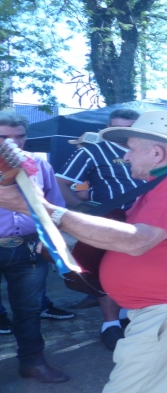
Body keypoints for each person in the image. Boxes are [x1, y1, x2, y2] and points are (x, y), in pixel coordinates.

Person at [0, 110, 167, 391]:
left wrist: (41, 209)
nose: (126, 157)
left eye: (130, 149)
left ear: (157, 153)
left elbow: (138, 241)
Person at [55, 108, 145, 351]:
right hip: (111, 221)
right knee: (107, 272)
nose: (123, 134)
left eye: (129, 128)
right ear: (108, 128)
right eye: (117, 128)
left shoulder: (150, 149)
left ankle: (128, 316)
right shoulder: (93, 150)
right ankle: (110, 325)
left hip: (146, 222)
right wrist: (83, 210)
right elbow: (61, 182)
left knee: (137, 272)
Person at [0, 111, 69, 383]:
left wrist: (46, 239)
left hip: (28, 250)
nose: (12, 143)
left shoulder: (40, 165)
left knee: (29, 311)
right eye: (3, 137)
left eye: (19, 136)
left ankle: (33, 363)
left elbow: (56, 206)